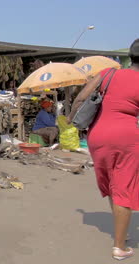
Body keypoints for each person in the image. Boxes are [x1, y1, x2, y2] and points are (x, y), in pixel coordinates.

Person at [68, 39, 139, 261]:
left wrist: (71, 120)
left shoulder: (108, 73)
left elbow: (80, 98)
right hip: (126, 136)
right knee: (124, 186)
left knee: (112, 183)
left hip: (97, 135)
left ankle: (121, 233)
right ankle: (119, 247)